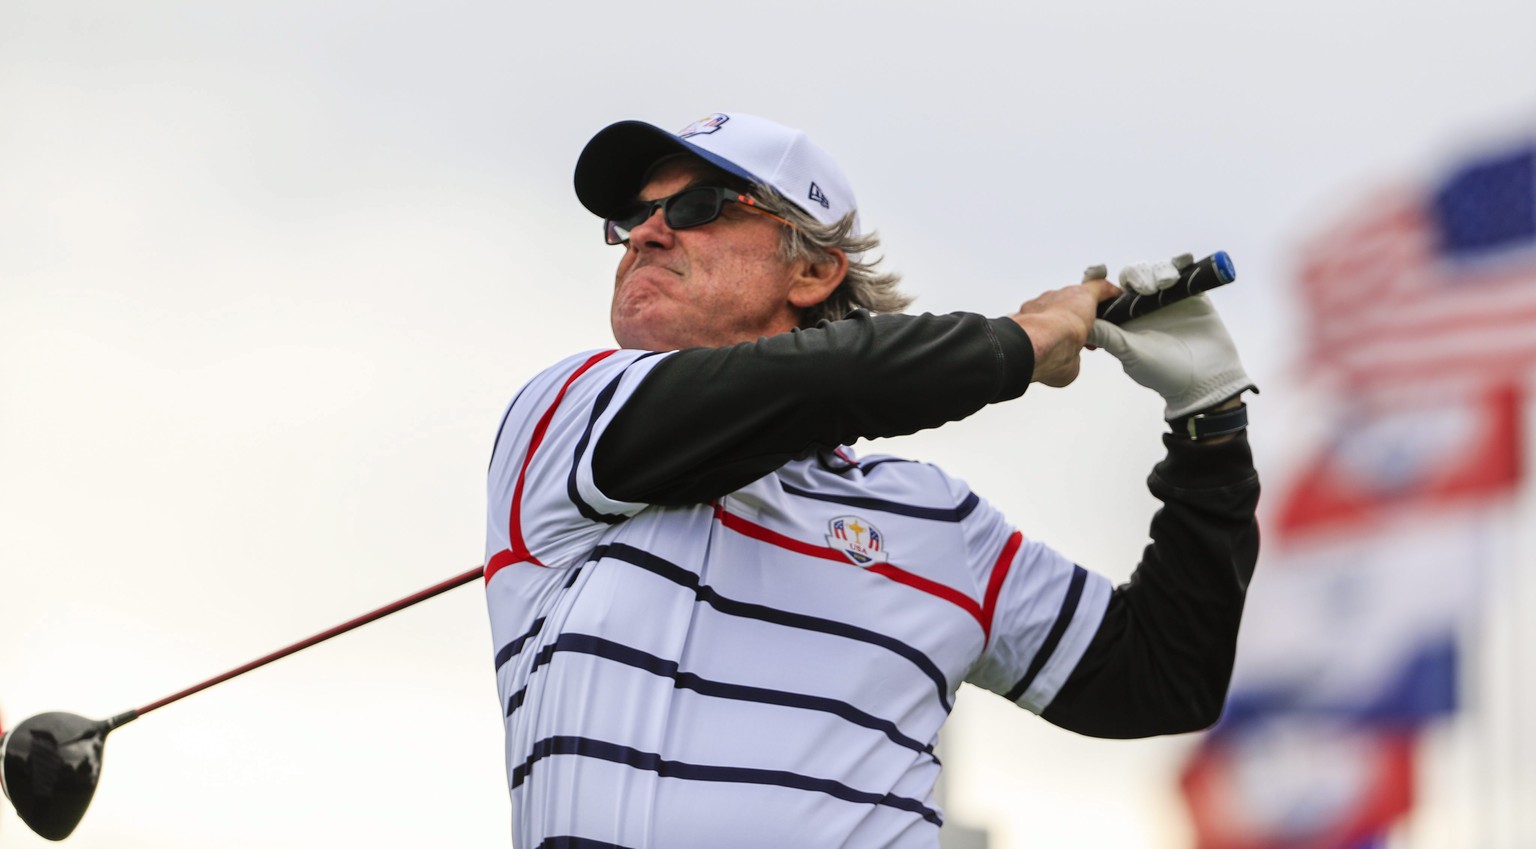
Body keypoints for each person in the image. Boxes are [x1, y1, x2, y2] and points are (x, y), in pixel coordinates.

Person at [483, 111, 1259, 847]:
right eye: (632, 217)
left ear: (815, 270)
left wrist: (1209, 420)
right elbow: (822, 383)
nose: (646, 233)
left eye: (698, 206)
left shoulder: (934, 518)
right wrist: (1022, 342)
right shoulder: (567, 414)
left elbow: (1161, 675)